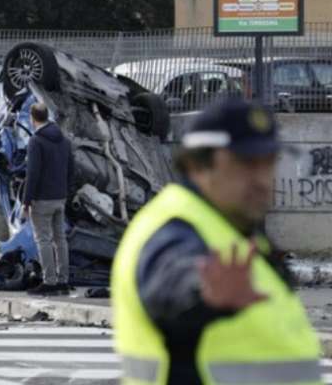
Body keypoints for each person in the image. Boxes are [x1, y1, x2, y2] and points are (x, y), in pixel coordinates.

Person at [112, 98, 321, 385]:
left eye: (269, 162)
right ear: (197, 166)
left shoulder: (234, 227)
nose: (262, 179)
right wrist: (201, 294)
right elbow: (173, 277)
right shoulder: (173, 228)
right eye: (245, 164)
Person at [22, 103, 75, 295]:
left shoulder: (36, 141)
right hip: (60, 198)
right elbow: (71, 170)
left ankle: (49, 281)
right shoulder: (64, 140)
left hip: (42, 199)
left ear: (32, 117)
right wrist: (65, 193)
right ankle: (63, 280)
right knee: (60, 239)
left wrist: (26, 202)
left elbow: (33, 174)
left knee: (43, 240)